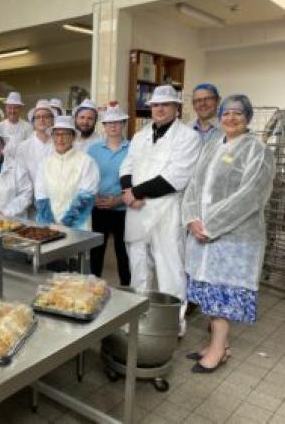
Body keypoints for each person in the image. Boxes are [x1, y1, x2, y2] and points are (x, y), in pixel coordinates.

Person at [182, 94, 275, 373]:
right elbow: (194, 185)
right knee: (210, 293)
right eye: (226, 113)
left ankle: (217, 351)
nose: (231, 118)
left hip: (234, 238)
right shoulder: (211, 146)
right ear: (219, 117)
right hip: (204, 236)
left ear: (247, 118)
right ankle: (218, 344)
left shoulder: (257, 150)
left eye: (238, 113)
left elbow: (250, 197)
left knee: (223, 295)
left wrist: (210, 225)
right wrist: (191, 219)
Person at [120, 85, 201, 336]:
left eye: (166, 104)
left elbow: (176, 176)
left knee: (170, 268)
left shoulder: (188, 137)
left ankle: (172, 326)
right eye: (156, 105)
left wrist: (136, 192)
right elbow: (127, 165)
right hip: (137, 208)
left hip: (166, 209)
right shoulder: (140, 135)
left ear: (177, 108)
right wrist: (128, 192)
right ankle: (138, 318)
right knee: (138, 263)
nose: (160, 109)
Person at [88, 105, 131, 285]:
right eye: (109, 123)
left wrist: (120, 199)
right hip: (99, 208)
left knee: (124, 252)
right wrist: (93, 196)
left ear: (123, 124)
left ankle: (126, 289)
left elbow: (138, 177)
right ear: (103, 126)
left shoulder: (133, 148)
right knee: (96, 251)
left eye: (117, 122)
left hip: (124, 209)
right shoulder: (93, 150)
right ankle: (93, 288)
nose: (113, 126)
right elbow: (86, 177)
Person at [35, 115, 99, 230]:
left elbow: (86, 197)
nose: (60, 139)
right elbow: (41, 196)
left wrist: (65, 223)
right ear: (52, 137)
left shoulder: (86, 162)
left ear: (73, 137)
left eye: (65, 134)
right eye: (57, 134)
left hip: (78, 226)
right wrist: (50, 223)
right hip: (49, 226)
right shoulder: (44, 163)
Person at [16, 100, 55, 185]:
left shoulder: (59, 145)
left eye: (46, 117)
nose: (42, 120)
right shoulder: (23, 147)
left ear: (52, 120)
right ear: (33, 122)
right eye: (38, 117)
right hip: (31, 195)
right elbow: (22, 177)